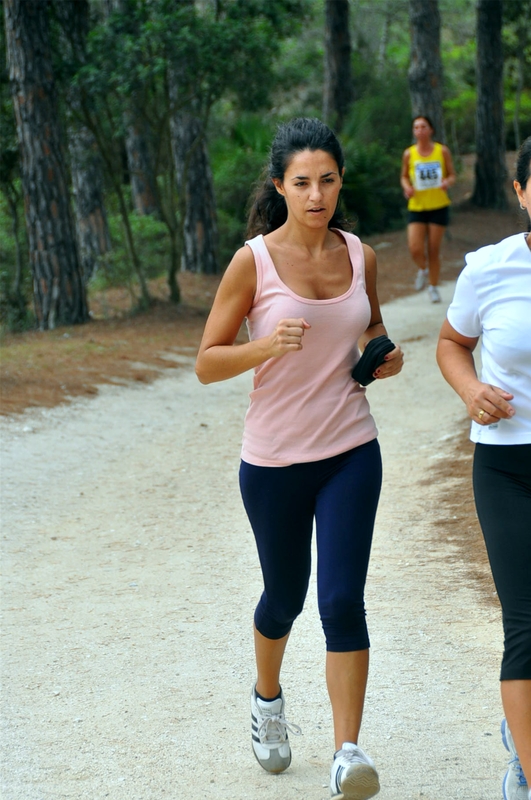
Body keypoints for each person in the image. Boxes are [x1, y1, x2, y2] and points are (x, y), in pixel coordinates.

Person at [196, 117, 403, 800]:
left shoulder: (359, 254)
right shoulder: (250, 261)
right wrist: (262, 347)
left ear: (340, 182)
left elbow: (368, 326)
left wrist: (383, 354)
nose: (316, 194)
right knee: (284, 598)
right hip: (274, 460)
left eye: (327, 180)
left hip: (350, 450)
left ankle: (347, 751)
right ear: (280, 186)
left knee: (341, 600)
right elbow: (206, 363)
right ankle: (266, 700)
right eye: (302, 182)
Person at [436, 136, 531, 800]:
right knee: (526, 623)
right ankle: (527, 768)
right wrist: (469, 390)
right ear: (521, 192)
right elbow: (450, 344)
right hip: (505, 469)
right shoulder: (488, 269)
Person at [400, 115, 456, 303]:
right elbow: (404, 176)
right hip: (417, 206)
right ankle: (423, 269)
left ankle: (433, 287)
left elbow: (452, 175)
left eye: (423, 126)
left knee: (433, 249)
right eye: (416, 127)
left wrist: (447, 182)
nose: (420, 130)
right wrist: (407, 187)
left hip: (438, 205)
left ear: (431, 130)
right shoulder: (409, 153)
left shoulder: (442, 151)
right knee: (415, 248)